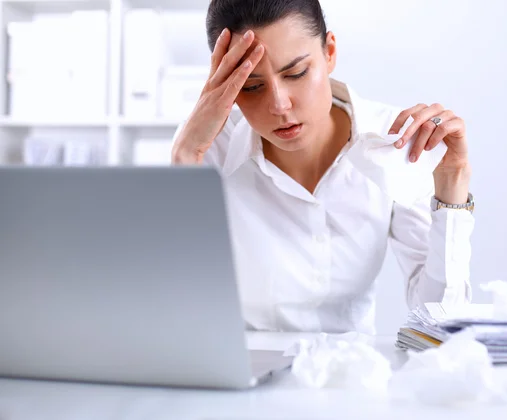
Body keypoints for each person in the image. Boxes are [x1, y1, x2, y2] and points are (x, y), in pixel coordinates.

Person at [171, 0, 475, 334]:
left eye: (296, 73)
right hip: (244, 370)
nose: (279, 104)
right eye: (251, 86)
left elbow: (441, 321)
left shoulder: (395, 141)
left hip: (351, 373)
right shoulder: (210, 146)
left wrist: (452, 183)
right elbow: (173, 308)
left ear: (329, 52)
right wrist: (185, 157)